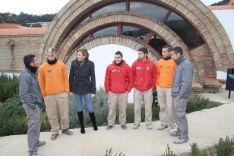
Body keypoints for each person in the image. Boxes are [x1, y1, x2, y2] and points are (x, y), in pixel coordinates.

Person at [38, 47, 73, 140]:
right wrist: (44, 93)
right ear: (47, 55)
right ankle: (55, 131)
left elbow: (66, 79)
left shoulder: (61, 65)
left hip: (62, 94)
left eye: (52, 55)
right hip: (49, 95)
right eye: (49, 55)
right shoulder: (42, 67)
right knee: (52, 114)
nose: (50, 57)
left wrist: (66, 91)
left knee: (64, 113)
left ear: (55, 54)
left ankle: (65, 129)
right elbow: (41, 81)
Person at [19, 54, 45, 156]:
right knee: (33, 127)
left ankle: (36, 142)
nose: (38, 61)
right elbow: (23, 94)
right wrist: (34, 106)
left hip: (36, 104)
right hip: (31, 106)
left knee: (37, 125)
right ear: (31, 63)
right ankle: (32, 151)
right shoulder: (25, 75)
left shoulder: (32, 73)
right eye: (36, 60)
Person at [69, 49, 98, 134]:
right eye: (77, 55)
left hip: (87, 88)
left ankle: (94, 124)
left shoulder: (91, 64)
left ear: (84, 56)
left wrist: (93, 91)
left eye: (79, 55)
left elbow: (93, 77)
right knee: (79, 108)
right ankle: (82, 127)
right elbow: (71, 77)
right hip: (76, 89)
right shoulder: (73, 63)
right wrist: (70, 89)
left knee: (89, 107)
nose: (77, 56)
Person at [169, 47, 193, 144]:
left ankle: (184, 136)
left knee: (180, 115)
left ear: (178, 54)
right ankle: (179, 131)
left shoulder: (185, 65)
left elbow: (186, 83)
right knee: (176, 115)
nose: (171, 56)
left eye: (172, 55)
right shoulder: (179, 64)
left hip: (180, 96)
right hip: (176, 94)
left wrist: (180, 95)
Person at [104, 51, 132, 130]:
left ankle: (123, 123)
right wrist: (107, 90)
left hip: (123, 93)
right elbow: (107, 80)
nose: (116, 59)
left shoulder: (127, 67)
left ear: (121, 58)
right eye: (115, 57)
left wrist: (128, 90)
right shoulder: (110, 67)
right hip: (112, 92)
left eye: (118, 57)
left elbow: (131, 79)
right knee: (112, 108)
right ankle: (110, 123)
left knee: (123, 108)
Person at [132, 47, 156, 129]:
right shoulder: (135, 64)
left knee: (148, 107)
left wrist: (152, 86)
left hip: (148, 89)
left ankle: (148, 123)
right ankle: (136, 123)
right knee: (137, 107)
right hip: (137, 89)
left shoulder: (151, 64)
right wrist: (134, 85)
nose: (139, 55)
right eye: (138, 53)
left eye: (140, 53)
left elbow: (154, 76)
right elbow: (133, 76)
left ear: (145, 54)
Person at [156, 45, 177, 136]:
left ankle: (173, 127)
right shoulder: (159, 62)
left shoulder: (174, 62)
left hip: (170, 88)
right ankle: (164, 123)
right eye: (162, 51)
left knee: (170, 108)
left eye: (165, 51)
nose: (163, 53)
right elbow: (157, 74)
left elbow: (177, 76)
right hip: (160, 87)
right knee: (162, 107)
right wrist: (157, 85)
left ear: (169, 52)